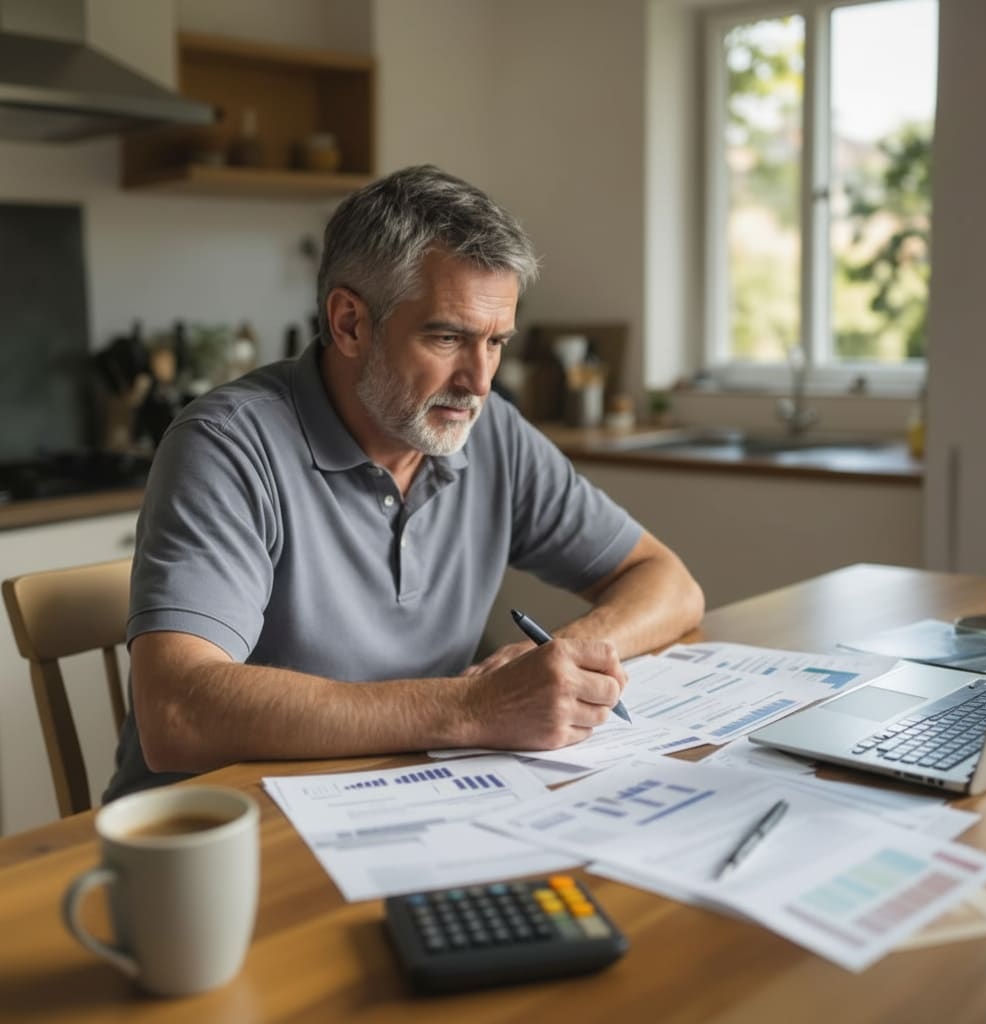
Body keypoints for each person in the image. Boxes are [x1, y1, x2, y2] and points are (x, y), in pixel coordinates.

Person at [104, 165, 704, 801]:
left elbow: (669, 584)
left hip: (411, 798)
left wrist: (563, 656)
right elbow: (176, 713)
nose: (480, 381)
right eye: (447, 337)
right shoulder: (226, 445)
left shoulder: (492, 431)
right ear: (350, 323)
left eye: (497, 341)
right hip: (215, 833)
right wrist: (471, 707)